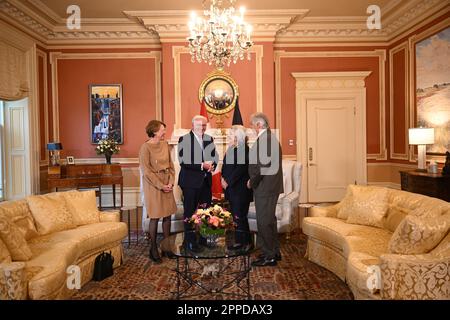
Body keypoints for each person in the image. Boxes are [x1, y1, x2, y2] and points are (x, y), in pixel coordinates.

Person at [247, 112, 283, 267]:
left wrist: (251, 181)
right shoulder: (268, 138)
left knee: (264, 222)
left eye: (252, 125)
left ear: (259, 125)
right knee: (270, 220)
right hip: (268, 186)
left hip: (265, 187)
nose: (251, 128)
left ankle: (269, 257)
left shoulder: (266, 140)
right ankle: (274, 251)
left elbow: (261, 166)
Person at [178, 115, 218, 251]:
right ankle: (190, 242)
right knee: (189, 213)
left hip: (206, 181)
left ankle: (203, 238)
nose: (202, 128)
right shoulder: (184, 139)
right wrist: (202, 166)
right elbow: (184, 162)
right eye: (200, 125)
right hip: (190, 182)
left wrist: (213, 165)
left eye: (205, 125)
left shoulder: (209, 139)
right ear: (193, 126)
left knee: (205, 211)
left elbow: (214, 157)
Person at [139, 120, 177, 264]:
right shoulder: (145, 148)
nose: (164, 132)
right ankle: (153, 248)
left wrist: (171, 182)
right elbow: (147, 172)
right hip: (154, 185)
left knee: (167, 216)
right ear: (154, 131)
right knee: (155, 217)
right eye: (162, 130)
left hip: (167, 182)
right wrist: (161, 185)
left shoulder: (165, 144)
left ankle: (166, 247)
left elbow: (171, 166)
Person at [221, 125, 252, 249]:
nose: (228, 137)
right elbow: (225, 166)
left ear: (237, 137)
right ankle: (242, 241)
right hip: (231, 189)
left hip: (240, 190)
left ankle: (245, 243)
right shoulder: (231, 149)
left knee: (240, 217)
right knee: (236, 216)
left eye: (230, 135)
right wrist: (222, 178)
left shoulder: (244, 149)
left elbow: (240, 169)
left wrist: (227, 181)